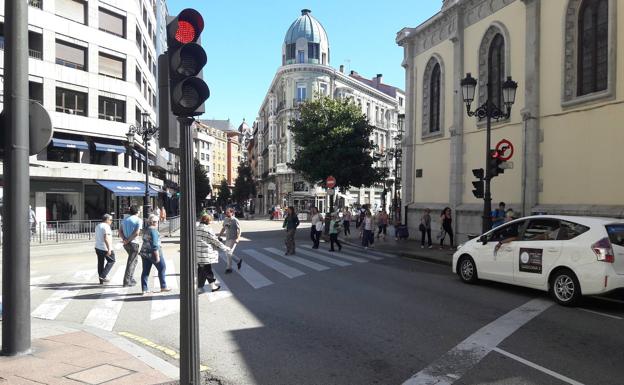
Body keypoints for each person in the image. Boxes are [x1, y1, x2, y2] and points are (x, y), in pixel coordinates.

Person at [197, 214, 231, 292]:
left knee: (202, 270)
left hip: (198, 253)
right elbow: (215, 241)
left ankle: (200, 287)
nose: (211, 222)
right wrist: (225, 248)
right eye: (210, 220)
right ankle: (212, 287)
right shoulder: (208, 230)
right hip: (205, 253)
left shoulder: (196, 228)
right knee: (207, 270)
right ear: (207, 221)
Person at [139, 214, 171, 295]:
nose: (158, 223)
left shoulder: (146, 229)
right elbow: (155, 245)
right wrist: (157, 256)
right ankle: (163, 286)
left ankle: (144, 289)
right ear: (153, 222)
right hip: (153, 253)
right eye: (157, 221)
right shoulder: (154, 231)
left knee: (145, 271)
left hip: (144, 252)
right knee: (162, 268)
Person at [119, 205, 142, 287]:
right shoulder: (138, 220)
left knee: (134, 261)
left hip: (126, 244)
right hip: (134, 243)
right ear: (137, 211)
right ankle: (127, 281)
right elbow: (136, 233)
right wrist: (128, 240)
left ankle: (130, 278)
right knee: (131, 262)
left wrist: (125, 240)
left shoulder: (125, 220)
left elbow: (120, 231)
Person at [219, 207, 243, 274]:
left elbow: (239, 230)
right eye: (226, 212)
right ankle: (238, 261)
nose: (226, 213)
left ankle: (229, 268)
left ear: (232, 213)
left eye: (228, 212)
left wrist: (238, 238)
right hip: (227, 238)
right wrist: (219, 235)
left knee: (229, 252)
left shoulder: (235, 220)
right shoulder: (225, 219)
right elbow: (223, 228)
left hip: (233, 239)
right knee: (227, 253)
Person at [94, 214, 115, 284]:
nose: (111, 221)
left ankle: (101, 280)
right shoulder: (106, 226)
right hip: (104, 248)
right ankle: (103, 276)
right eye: (111, 220)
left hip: (98, 247)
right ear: (107, 220)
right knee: (112, 261)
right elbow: (106, 238)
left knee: (100, 263)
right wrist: (109, 249)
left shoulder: (98, 226)